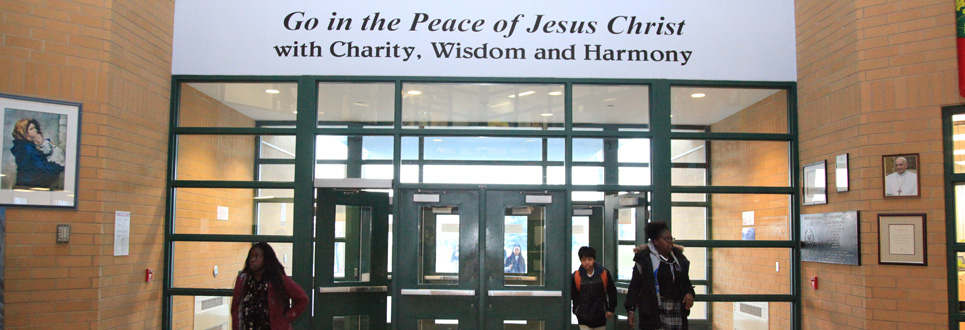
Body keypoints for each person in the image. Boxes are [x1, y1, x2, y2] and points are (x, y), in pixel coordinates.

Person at [625, 222, 695, 330]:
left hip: (676, 307)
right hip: (653, 310)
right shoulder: (645, 260)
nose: (670, 243)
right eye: (666, 239)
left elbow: (685, 282)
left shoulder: (679, 259)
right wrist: (630, 309)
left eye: (671, 239)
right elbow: (635, 286)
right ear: (656, 241)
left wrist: (689, 293)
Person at [231, 242, 308, 330]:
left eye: (257, 256)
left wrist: (287, 317)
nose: (252, 260)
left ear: (266, 259)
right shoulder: (243, 280)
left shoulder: (277, 280)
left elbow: (302, 299)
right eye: (251, 256)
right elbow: (236, 308)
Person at [9, 118, 65, 189]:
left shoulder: (29, 145)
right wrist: (60, 166)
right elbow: (40, 166)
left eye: (35, 127)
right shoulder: (26, 148)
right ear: (24, 133)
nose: (35, 130)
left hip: (31, 185)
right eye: (31, 129)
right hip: (30, 186)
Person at [571, 246, 617, 330]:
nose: (587, 262)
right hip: (583, 317)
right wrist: (576, 310)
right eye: (583, 260)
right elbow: (574, 295)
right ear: (580, 261)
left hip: (600, 316)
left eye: (589, 259)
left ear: (594, 260)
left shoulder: (604, 274)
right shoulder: (576, 276)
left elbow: (612, 291)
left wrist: (611, 309)